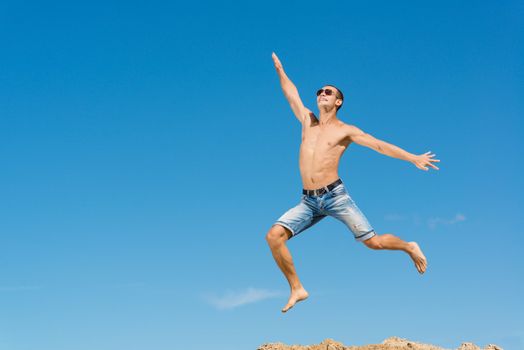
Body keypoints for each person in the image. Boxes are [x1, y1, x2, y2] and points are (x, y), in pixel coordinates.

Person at [266, 52, 440, 313]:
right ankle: (297, 288)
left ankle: (408, 246)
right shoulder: (307, 121)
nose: (322, 94)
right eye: (319, 91)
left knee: (373, 243)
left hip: (335, 197)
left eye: (328, 92)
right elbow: (290, 93)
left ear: (338, 101)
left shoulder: (345, 130)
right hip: (309, 200)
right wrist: (280, 70)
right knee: (274, 236)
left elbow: (379, 145)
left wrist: (412, 157)